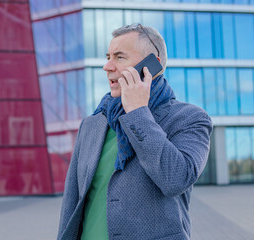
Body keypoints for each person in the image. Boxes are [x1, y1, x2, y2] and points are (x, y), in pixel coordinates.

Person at [57, 24, 212, 240]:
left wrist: (138, 112)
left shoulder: (190, 118)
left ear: (151, 66)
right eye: (108, 56)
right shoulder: (93, 123)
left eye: (119, 57)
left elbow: (175, 179)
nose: (107, 66)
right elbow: (72, 202)